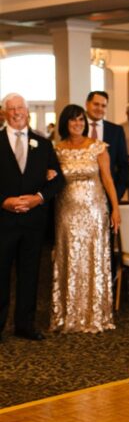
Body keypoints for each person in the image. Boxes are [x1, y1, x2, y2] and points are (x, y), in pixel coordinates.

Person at [51, 104, 120, 334]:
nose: (78, 124)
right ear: (65, 124)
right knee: (69, 259)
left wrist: (116, 209)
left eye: (81, 120)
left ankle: (95, 314)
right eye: (73, 120)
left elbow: (108, 180)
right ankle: (68, 314)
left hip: (95, 212)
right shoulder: (57, 149)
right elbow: (52, 180)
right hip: (67, 213)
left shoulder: (98, 147)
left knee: (93, 259)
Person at [0, 93, 64, 342]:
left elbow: (58, 180)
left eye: (20, 108)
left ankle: (25, 324)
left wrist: (38, 197)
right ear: (4, 113)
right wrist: (3, 201)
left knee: (30, 273)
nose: (17, 112)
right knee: (1, 273)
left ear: (27, 112)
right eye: (11, 108)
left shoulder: (43, 144)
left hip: (34, 222)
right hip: (3, 221)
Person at [85, 91, 129, 200]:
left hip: (108, 195)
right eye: (96, 104)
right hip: (81, 194)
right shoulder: (77, 128)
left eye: (103, 106)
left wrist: (117, 193)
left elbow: (123, 165)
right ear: (87, 104)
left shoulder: (116, 131)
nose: (99, 108)